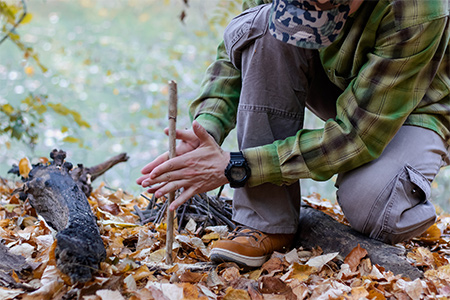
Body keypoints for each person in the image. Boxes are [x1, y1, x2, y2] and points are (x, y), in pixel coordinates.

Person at [137, 0, 450, 268]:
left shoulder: (417, 8)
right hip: (338, 84)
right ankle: (267, 222)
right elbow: (239, 50)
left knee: (376, 207)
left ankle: (405, 180)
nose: (315, 11)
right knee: (264, 25)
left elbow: (356, 136)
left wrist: (238, 167)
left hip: (416, 107)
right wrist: (206, 129)